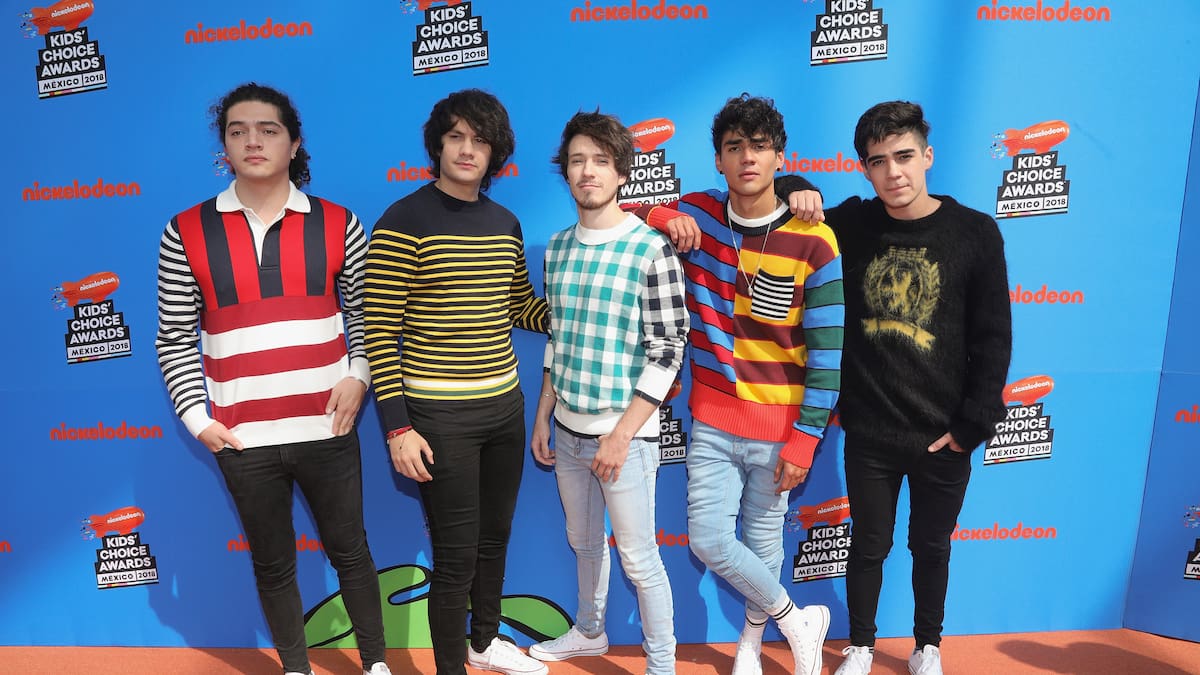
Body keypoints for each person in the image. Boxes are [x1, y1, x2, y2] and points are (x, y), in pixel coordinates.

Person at [155, 83, 390, 675]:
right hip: (241, 437)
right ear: (223, 147)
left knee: (351, 551)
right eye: (237, 131)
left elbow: (367, 315)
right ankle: (296, 667)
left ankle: (377, 664)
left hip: (328, 426)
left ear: (294, 143)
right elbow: (174, 335)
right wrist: (198, 420)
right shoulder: (185, 231)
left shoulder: (340, 223)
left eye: (267, 129)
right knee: (272, 562)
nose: (252, 141)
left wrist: (360, 376)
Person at [783, 101, 1012, 675]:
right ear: (864, 168)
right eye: (878, 161)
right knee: (868, 545)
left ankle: (927, 646)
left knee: (932, 547)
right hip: (870, 433)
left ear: (927, 156)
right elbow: (784, 196)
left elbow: (993, 338)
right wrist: (795, 187)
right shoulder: (852, 224)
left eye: (904, 156)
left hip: (943, 434)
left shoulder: (975, 233)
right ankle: (861, 646)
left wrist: (971, 426)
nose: (894, 172)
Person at [638, 94, 844, 675]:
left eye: (759, 146)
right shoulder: (698, 215)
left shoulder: (815, 238)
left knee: (764, 542)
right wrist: (661, 217)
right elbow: (621, 207)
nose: (747, 157)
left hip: (782, 430)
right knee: (708, 539)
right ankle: (797, 620)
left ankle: (751, 645)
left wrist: (805, 440)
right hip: (713, 419)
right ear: (718, 160)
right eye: (734, 148)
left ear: (780, 157)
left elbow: (828, 353)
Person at [362, 89, 550, 675]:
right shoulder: (403, 221)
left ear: (496, 153)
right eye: (456, 137)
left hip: (505, 409)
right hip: (438, 419)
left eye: (480, 140)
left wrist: (575, 312)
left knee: (495, 538)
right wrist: (397, 429)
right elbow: (378, 331)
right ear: (438, 145)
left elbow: (518, 306)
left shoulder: (505, 224)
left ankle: (484, 643)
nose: (468, 150)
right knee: (455, 557)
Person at [528, 111, 689, 675]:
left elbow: (668, 352)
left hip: (626, 439)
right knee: (584, 543)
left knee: (640, 560)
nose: (587, 171)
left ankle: (662, 664)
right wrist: (544, 413)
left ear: (622, 172)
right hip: (568, 433)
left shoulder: (652, 249)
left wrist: (621, 436)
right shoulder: (557, 248)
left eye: (600, 161)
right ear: (566, 172)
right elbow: (559, 337)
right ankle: (590, 631)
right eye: (577, 161)